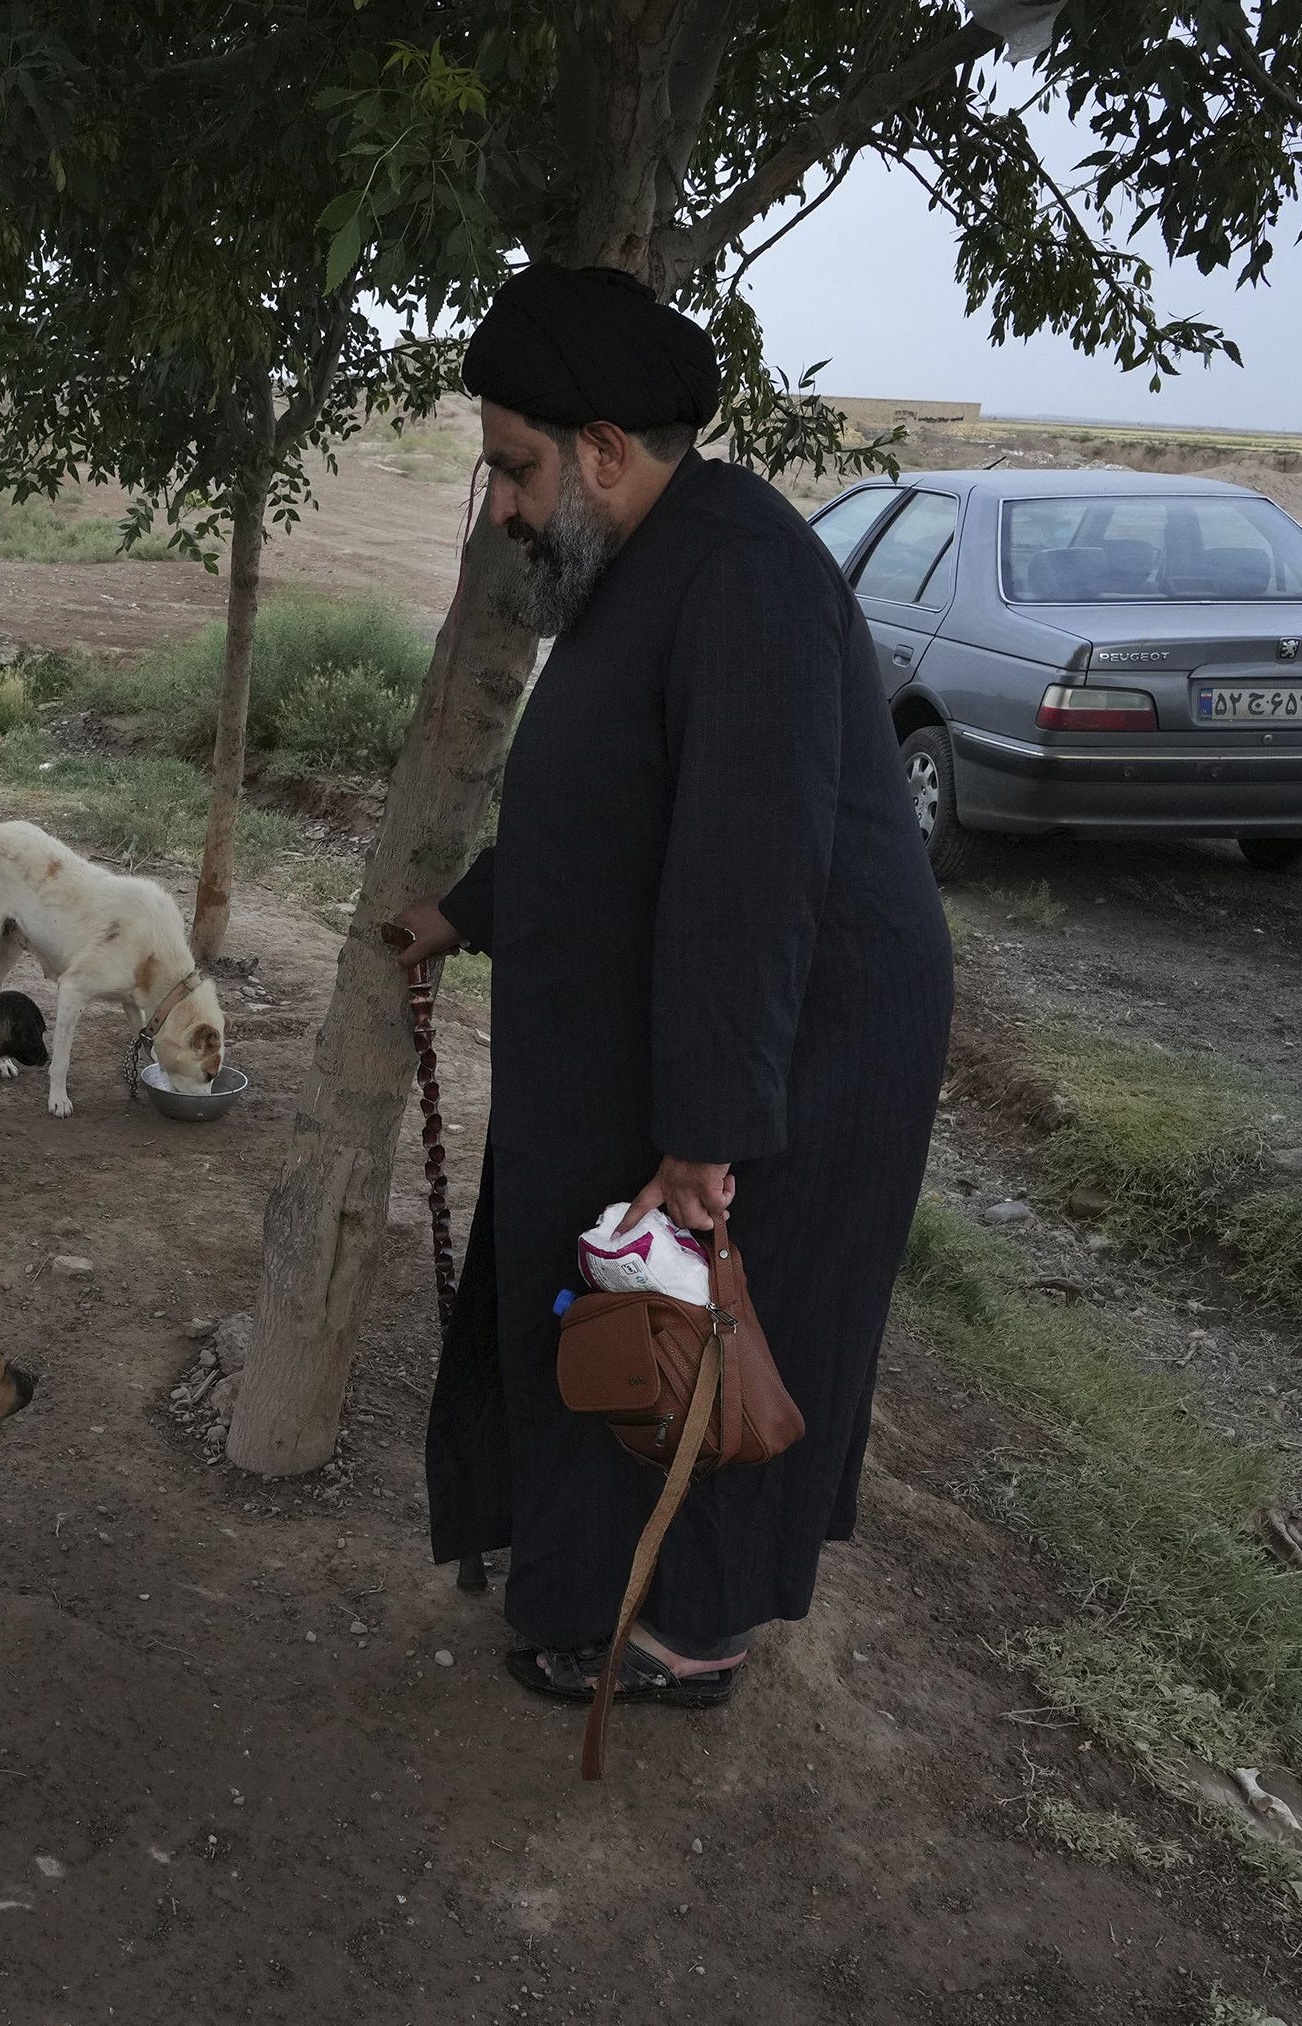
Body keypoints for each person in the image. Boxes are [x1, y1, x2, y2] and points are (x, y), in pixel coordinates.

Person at [391, 262, 954, 1708]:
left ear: (600, 451)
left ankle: (691, 1632)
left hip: (799, 1043)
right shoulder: (654, 562)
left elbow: (747, 871)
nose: (504, 512)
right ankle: (595, 1574)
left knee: (722, 1342)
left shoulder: (745, 574)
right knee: (630, 1323)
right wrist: (462, 915)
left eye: (514, 472)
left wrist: (709, 1135)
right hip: (708, 1026)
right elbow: (613, 806)